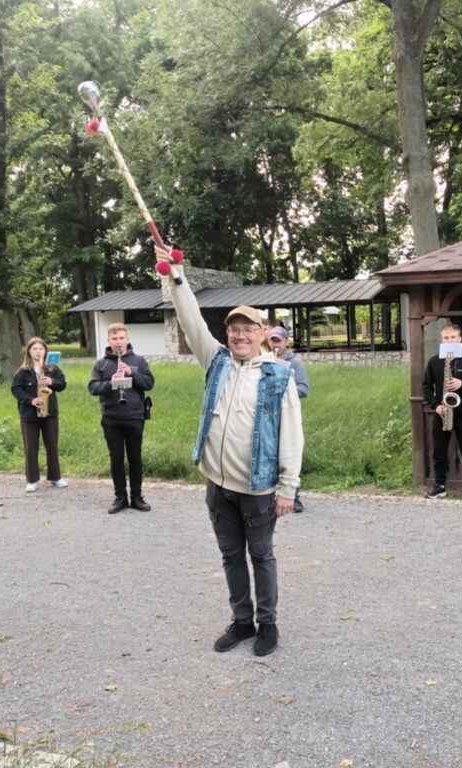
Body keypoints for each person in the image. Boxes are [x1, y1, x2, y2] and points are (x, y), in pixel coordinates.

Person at [158, 242, 302, 657]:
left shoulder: (278, 374)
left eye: (248, 329)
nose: (240, 335)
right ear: (228, 335)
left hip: (258, 489)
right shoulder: (216, 362)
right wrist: (176, 276)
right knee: (230, 556)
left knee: (262, 555)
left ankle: (267, 624)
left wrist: (288, 487)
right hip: (218, 485)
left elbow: (292, 434)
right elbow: (190, 320)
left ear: (262, 334)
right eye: (234, 329)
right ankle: (242, 621)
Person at [88, 324, 155, 514]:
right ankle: (120, 497)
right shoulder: (101, 364)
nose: (118, 342)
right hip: (111, 418)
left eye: (121, 338)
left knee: (135, 458)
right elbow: (93, 387)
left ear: (127, 340)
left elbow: (149, 383)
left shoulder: (138, 361)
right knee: (116, 459)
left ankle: (137, 497)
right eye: (115, 339)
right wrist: (111, 383)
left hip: (134, 416)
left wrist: (132, 373)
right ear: (109, 341)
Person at [422, 323, 462, 501]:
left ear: (460, 339)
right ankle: (439, 486)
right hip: (442, 414)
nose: (449, 341)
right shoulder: (434, 361)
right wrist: (435, 405)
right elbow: (426, 387)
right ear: (442, 340)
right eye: (446, 338)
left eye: (453, 337)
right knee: (439, 453)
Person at [11, 337, 68, 493]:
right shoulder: (23, 371)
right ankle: (32, 480)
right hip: (29, 414)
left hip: (50, 412)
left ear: (45, 351)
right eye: (34, 349)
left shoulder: (52, 368)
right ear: (29, 351)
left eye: (41, 349)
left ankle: (55, 477)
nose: (38, 352)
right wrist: (31, 400)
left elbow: (62, 384)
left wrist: (52, 381)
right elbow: (16, 389)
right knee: (31, 447)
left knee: (52, 445)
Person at [268, 325, 309, 513]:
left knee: (290, 455)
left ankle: (295, 497)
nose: (275, 344)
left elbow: (304, 388)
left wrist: (283, 392)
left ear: (286, 342)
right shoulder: (266, 360)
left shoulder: (295, 363)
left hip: (288, 416)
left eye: (279, 340)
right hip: (270, 416)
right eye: (272, 340)